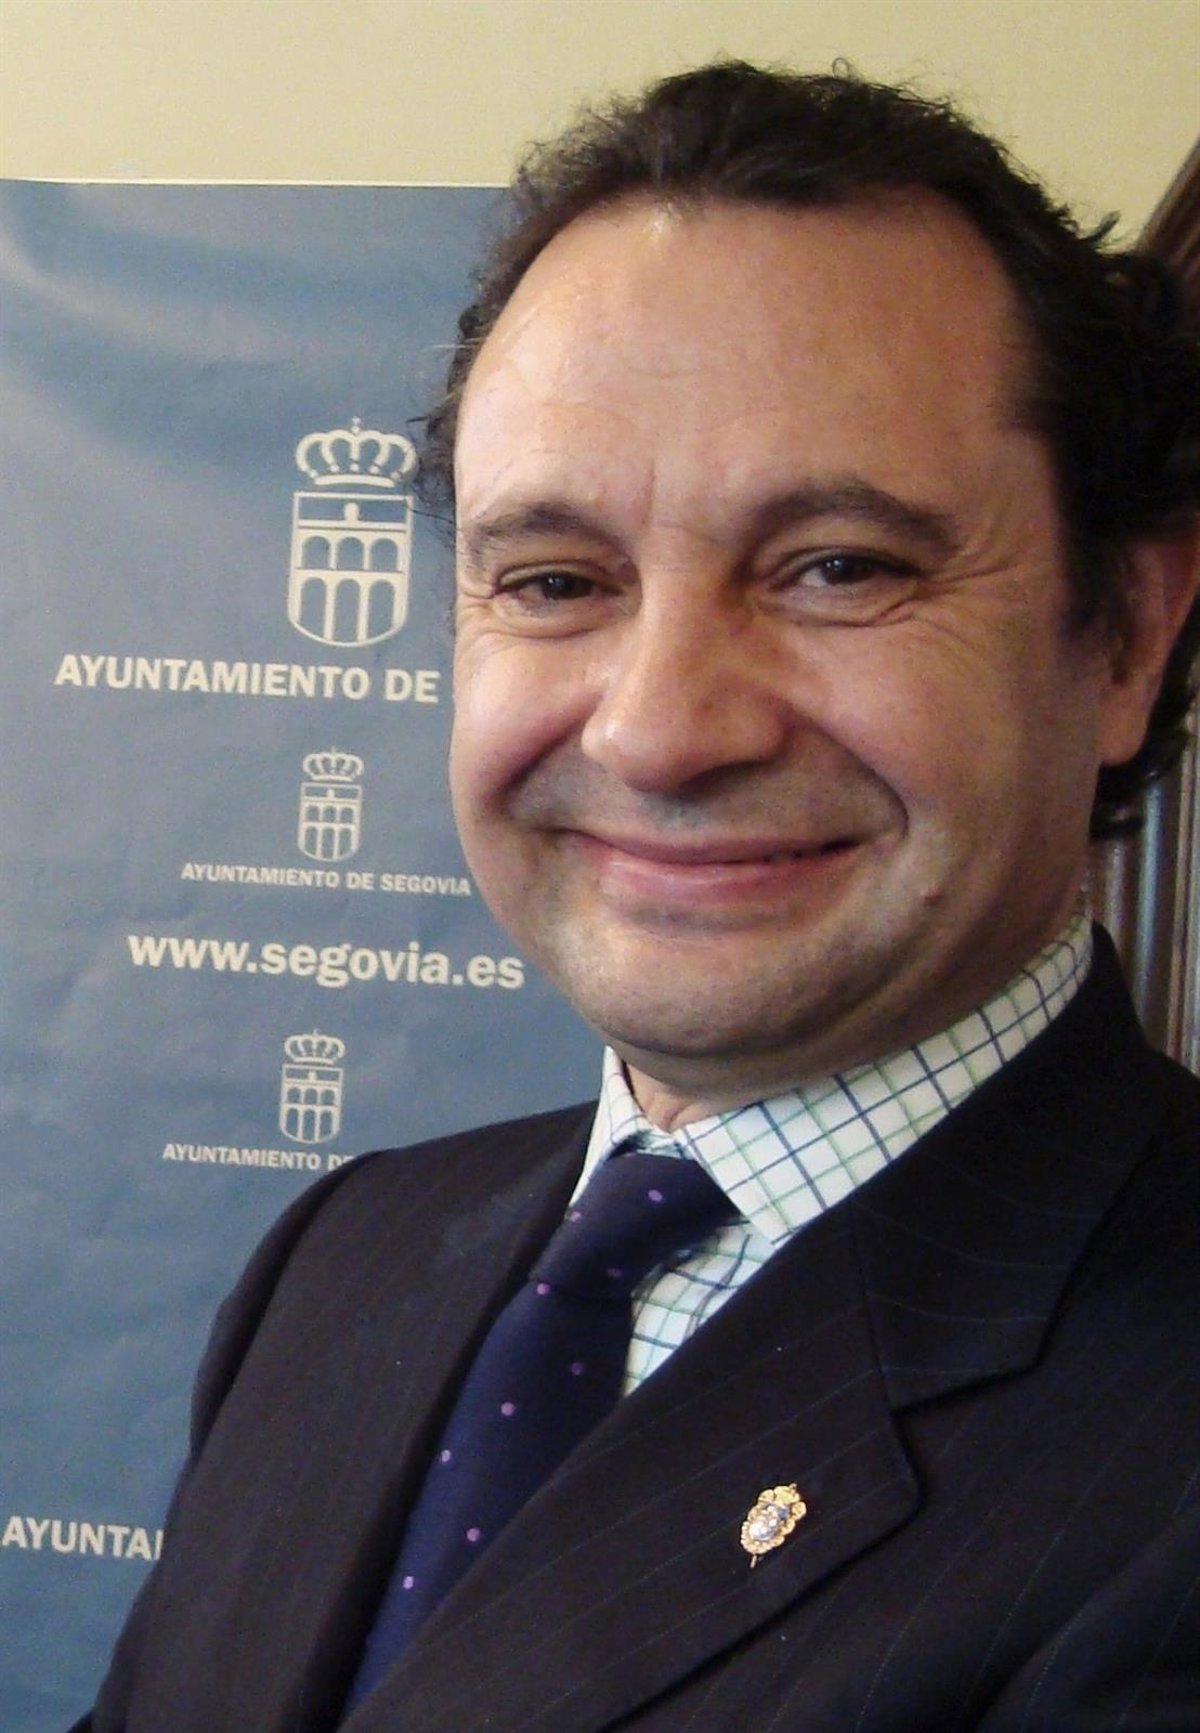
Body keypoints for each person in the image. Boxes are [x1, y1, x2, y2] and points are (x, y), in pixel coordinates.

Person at [77, 61, 1199, 1733]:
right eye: (555, 580)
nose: (662, 728)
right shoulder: (353, 1253)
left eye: (839, 566)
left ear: (1125, 635)